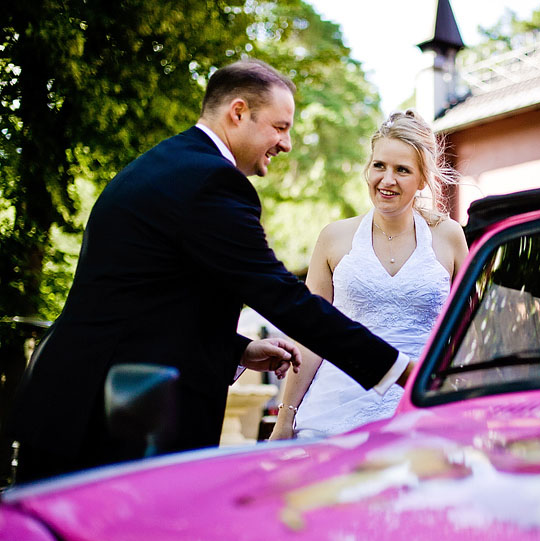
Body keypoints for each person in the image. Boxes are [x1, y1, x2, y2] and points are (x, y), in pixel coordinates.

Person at [8, 59, 413, 483]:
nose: (286, 143)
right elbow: (282, 295)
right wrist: (399, 369)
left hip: (77, 403)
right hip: (105, 420)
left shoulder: (171, 163)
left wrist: (237, 349)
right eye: (280, 126)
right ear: (238, 113)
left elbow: (151, 299)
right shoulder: (209, 182)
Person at [269, 110, 468, 440]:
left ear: (421, 180)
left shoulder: (448, 236)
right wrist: (284, 418)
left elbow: (466, 329)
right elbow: (312, 332)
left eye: (402, 170)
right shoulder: (334, 237)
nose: (387, 180)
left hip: (417, 406)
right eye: (379, 166)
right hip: (334, 412)